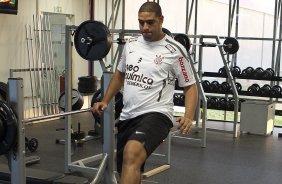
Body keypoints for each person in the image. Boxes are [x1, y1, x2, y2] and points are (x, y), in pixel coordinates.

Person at [93, 2, 198, 184]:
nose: (145, 27)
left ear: (161, 20)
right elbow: (119, 75)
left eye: (150, 22)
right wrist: (106, 99)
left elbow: (190, 86)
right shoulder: (131, 44)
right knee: (128, 166)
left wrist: (188, 116)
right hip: (128, 115)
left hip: (157, 114)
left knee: (132, 152)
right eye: (141, 23)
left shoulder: (175, 50)